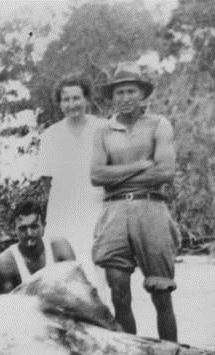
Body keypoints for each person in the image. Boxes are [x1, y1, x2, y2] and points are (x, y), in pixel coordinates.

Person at [91, 68, 180, 341]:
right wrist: (142, 165)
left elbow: (165, 171)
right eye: (120, 92)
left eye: (131, 91)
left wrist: (117, 176)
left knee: (161, 292)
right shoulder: (103, 130)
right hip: (114, 211)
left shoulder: (158, 124)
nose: (126, 97)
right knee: (118, 290)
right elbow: (97, 175)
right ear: (112, 97)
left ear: (142, 94)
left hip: (151, 208)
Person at [35, 74, 109, 300]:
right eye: (66, 100)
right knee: (61, 268)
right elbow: (46, 179)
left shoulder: (103, 128)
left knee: (98, 268)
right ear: (59, 103)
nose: (72, 104)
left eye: (77, 98)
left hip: (96, 207)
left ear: (86, 98)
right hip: (62, 210)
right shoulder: (51, 135)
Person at [0, 201, 76, 292]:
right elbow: (6, 304)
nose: (29, 233)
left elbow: (78, 288)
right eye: (23, 228)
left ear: (43, 226)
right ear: (14, 229)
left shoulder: (60, 247)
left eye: (34, 226)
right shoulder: (5, 262)